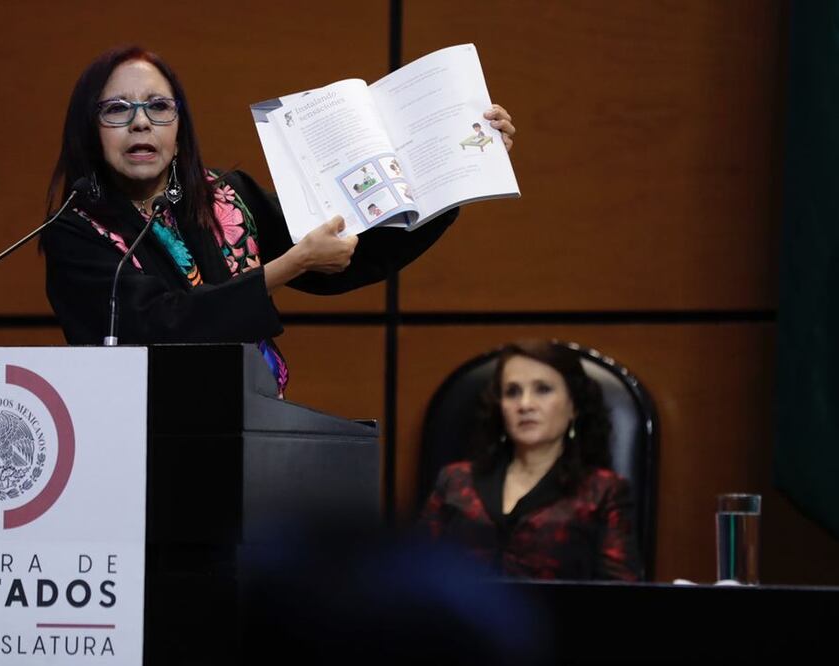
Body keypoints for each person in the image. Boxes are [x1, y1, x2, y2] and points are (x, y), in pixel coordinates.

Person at [41, 46, 517, 396]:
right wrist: (288, 266)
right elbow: (157, 327)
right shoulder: (75, 230)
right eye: (117, 109)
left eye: (159, 106)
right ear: (90, 130)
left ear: (180, 129)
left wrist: (456, 173)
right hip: (144, 443)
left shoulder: (225, 196)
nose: (141, 122)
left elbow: (346, 253)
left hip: (252, 422)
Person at [421, 340, 642, 580]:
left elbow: (621, 593)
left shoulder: (603, 491)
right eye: (512, 392)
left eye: (543, 389)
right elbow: (415, 571)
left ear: (574, 406)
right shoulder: (455, 480)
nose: (525, 405)